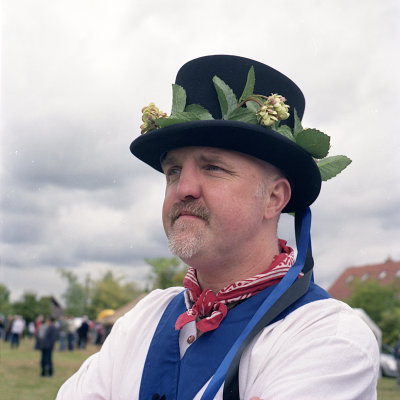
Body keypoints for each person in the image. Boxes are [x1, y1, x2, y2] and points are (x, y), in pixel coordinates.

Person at [57, 55, 379, 399]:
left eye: (212, 167)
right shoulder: (144, 319)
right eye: (173, 171)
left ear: (274, 198)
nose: (184, 189)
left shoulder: (327, 338)